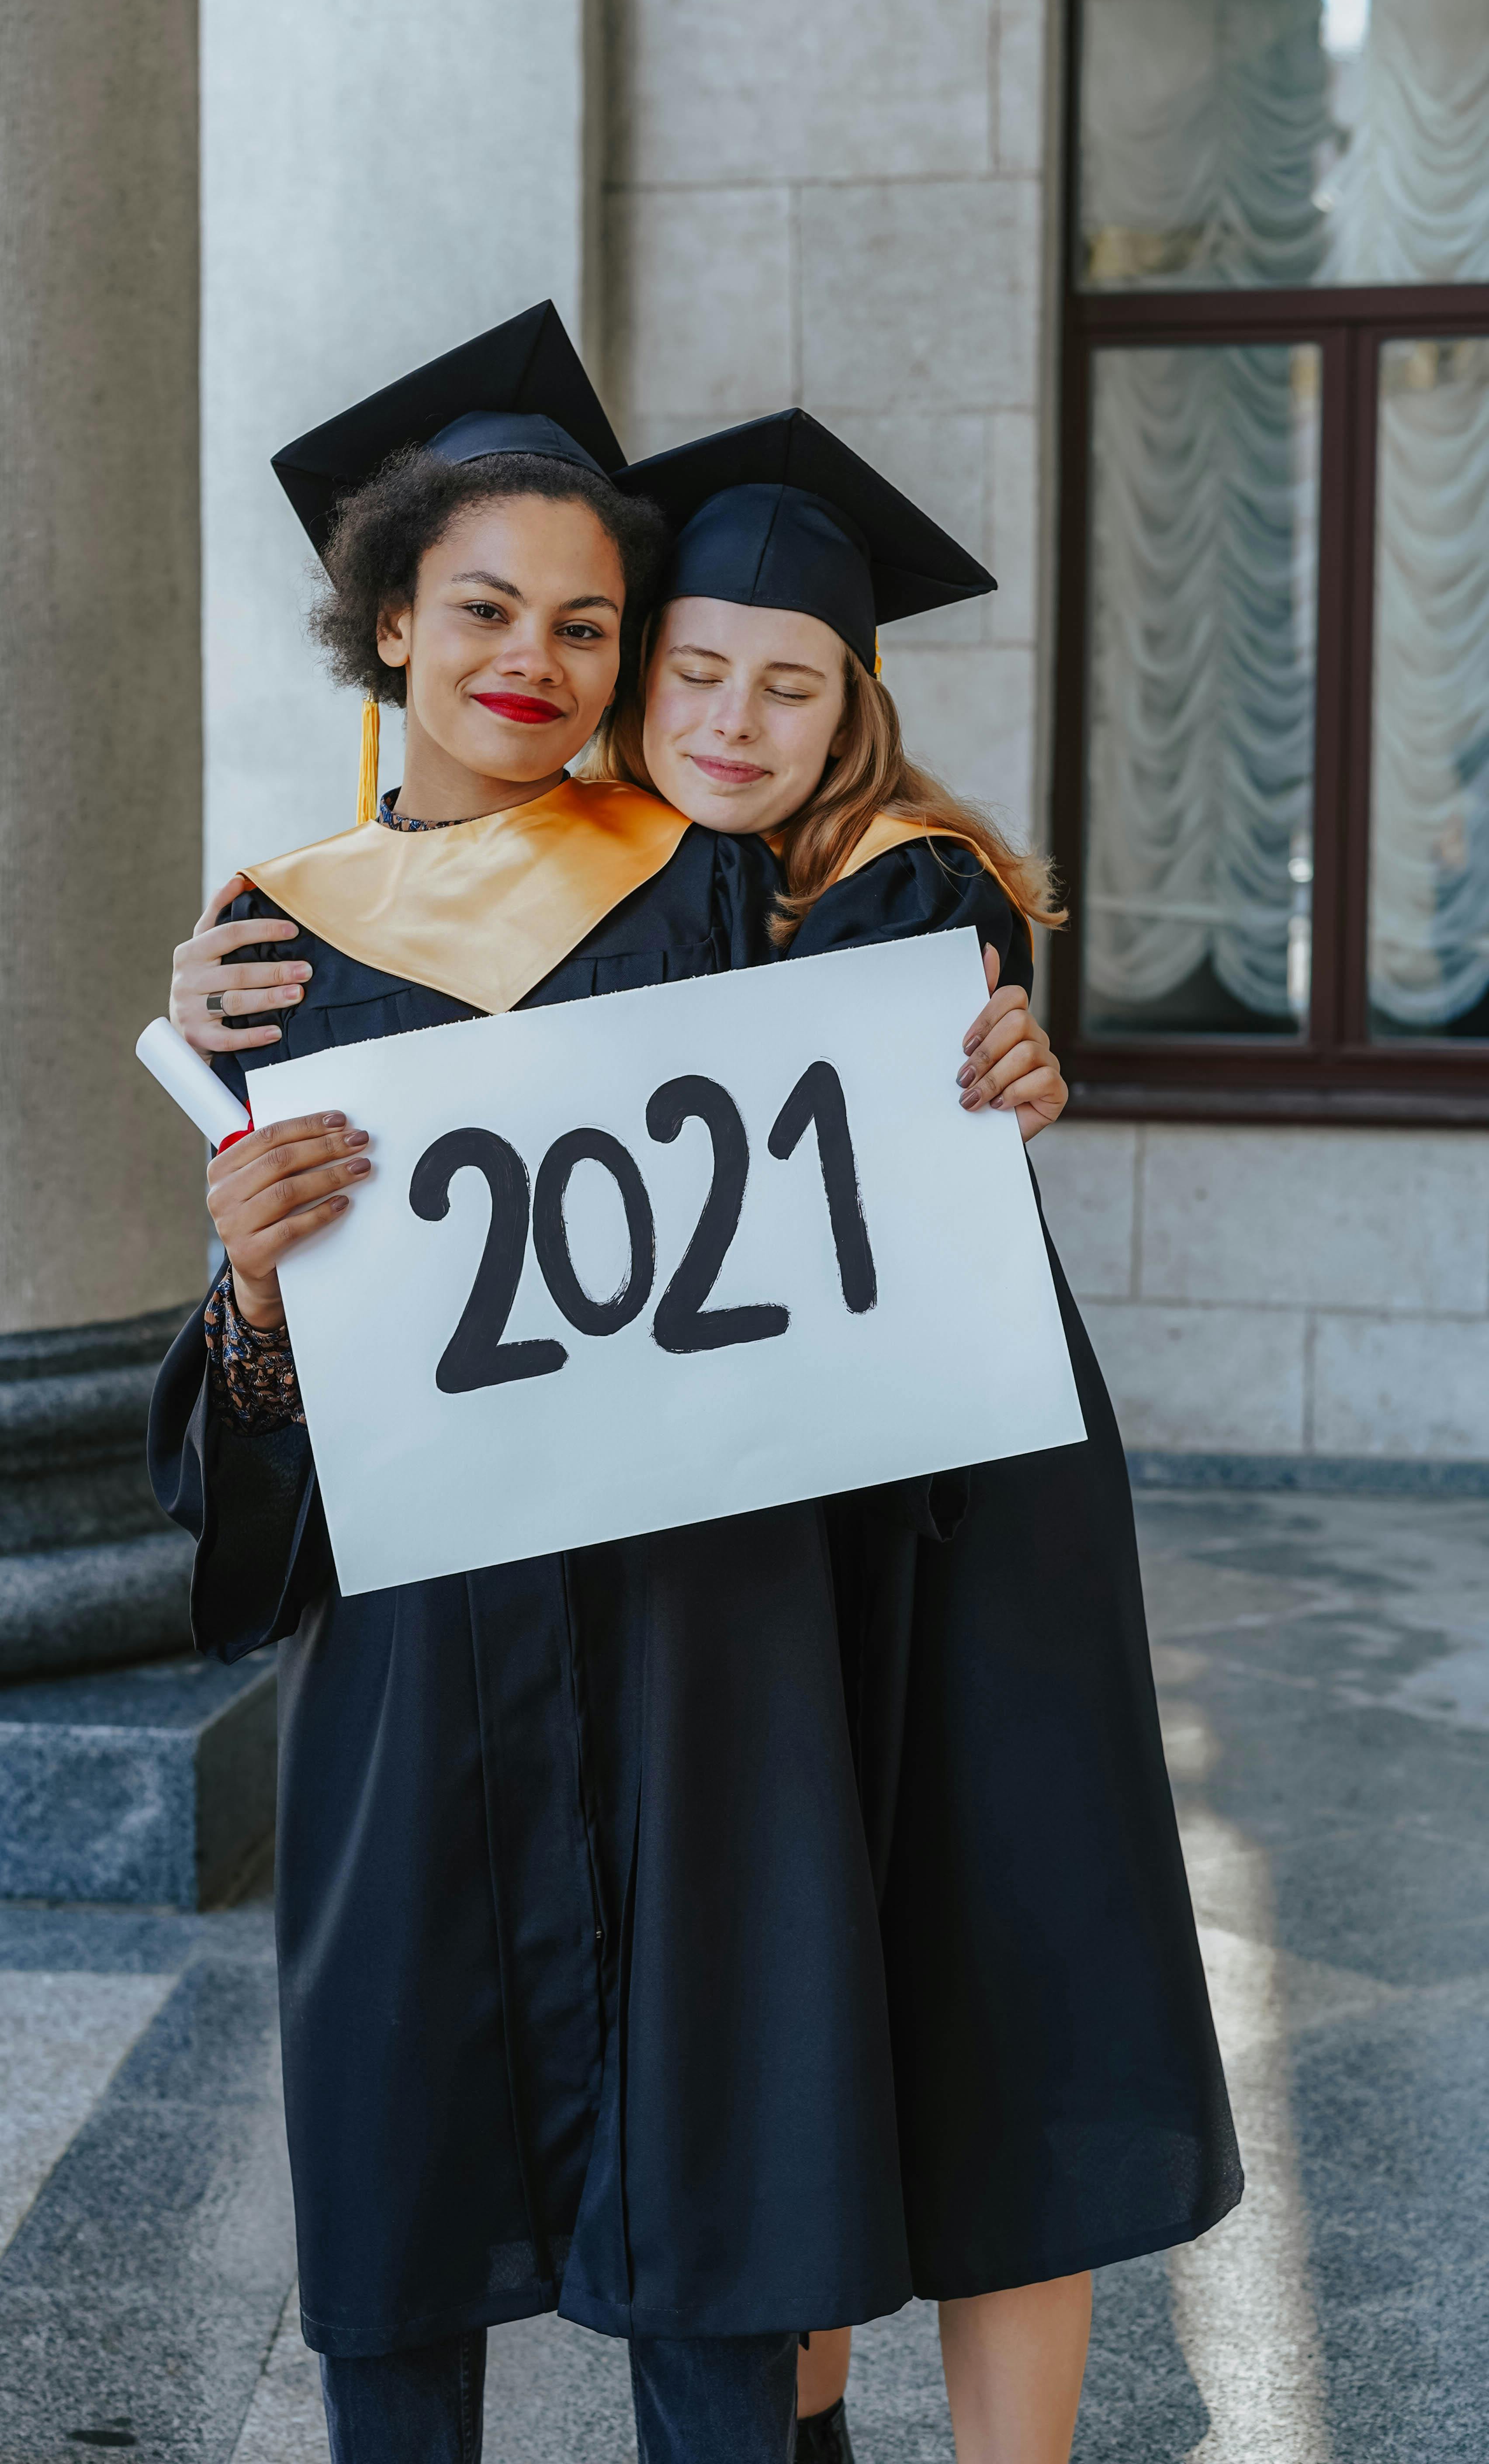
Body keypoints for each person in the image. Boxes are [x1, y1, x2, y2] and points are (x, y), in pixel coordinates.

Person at [149, 309, 923, 2464]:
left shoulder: (720, 887)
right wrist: (255, 1293)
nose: (538, 659)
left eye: (591, 625)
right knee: (401, 2141)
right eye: (485, 607)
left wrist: (994, 1069)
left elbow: (877, 1175)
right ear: (389, 621)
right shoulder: (268, 935)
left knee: (722, 2165)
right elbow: (252, 1421)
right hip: (413, 1654)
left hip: (703, 1624)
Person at [602, 409, 1243, 2464]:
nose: (733, 715)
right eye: (695, 669)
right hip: (761, 1540)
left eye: (787, 684)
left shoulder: (919, 887)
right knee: (807, 2008)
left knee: (987, 1976)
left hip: (962, 1521)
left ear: (851, 705)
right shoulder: (611, 879)